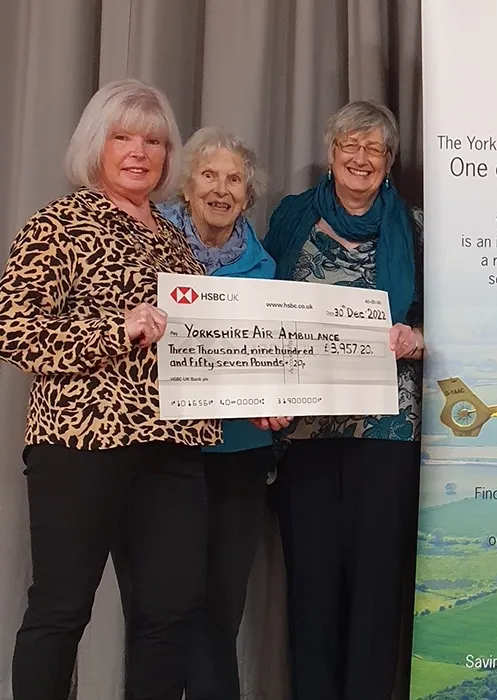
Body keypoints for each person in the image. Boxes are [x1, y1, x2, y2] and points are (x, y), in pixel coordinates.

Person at [0, 78, 217, 700]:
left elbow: (204, 349)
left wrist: (254, 402)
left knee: (169, 615)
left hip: (174, 446)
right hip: (80, 444)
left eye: (153, 140)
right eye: (123, 136)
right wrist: (113, 328)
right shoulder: (58, 225)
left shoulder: (178, 242)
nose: (139, 152)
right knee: (62, 609)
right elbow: (15, 331)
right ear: (96, 145)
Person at [258, 100, 424, 700]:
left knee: (377, 588)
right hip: (302, 432)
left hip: (385, 433)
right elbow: (258, 307)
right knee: (312, 586)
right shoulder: (291, 218)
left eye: (374, 149)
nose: (360, 158)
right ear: (330, 156)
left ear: (388, 161)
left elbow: (439, 325)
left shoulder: (415, 227)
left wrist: (416, 338)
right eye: (349, 146)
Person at [113, 126, 277, 700]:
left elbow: (273, 364)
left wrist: (280, 401)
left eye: (234, 179)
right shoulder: (147, 248)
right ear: (185, 185)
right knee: (159, 611)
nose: (221, 188)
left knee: (219, 614)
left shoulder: (267, 273)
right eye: (209, 175)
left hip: (239, 457)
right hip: (161, 454)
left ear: (248, 194)